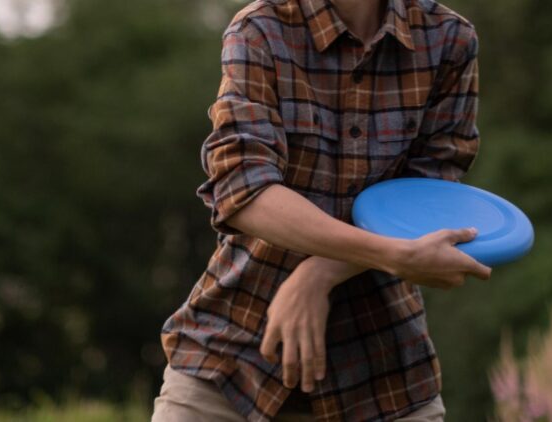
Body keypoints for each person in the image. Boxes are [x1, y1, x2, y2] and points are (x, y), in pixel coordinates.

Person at [152, 0, 491, 420]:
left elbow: (427, 199)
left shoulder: (449, 40)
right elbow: (244, 191)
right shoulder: (260, 29)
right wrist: (390, 255)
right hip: (230, 358)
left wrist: (319, 273)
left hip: (383, 372)